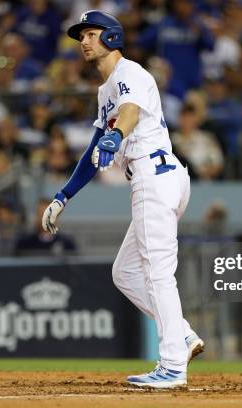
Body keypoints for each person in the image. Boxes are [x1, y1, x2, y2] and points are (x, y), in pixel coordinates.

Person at [41, 11, 203, 389]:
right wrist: (64, 195)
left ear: (112, 37)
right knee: (126, 272)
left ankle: (172, 365)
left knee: (158, 272)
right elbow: (95, 149)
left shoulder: (129, 73)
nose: (84, 41)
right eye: (81, 35)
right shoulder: (106, 88)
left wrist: (117, 136)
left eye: (92, 33)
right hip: (164, 178)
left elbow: (128, 113)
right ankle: (182, 336)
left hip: (153, 177)